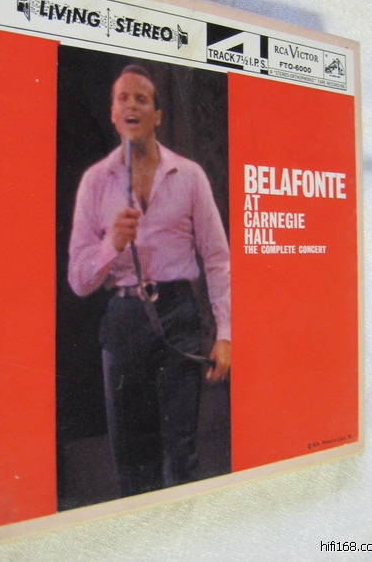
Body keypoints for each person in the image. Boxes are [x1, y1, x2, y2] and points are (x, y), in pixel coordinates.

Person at [68, 64, 230, 498]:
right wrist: (111, 245)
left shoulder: (189, 176)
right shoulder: (95, 182)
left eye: (142, 99)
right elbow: (79, 280)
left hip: (178, 313)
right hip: (123, 321)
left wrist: (225, 334)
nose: (132, 105)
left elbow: (217, 258)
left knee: (182, 452)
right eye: (123, 98)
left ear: (157, 115)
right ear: (113, 114)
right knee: (132, 459)